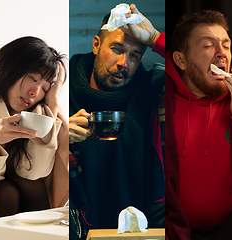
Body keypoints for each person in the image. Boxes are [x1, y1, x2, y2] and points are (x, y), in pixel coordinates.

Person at [68, 4, 166, 235]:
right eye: (116, 49)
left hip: (143, 226)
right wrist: (56, 134)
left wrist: (155, 38)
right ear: (96, 45)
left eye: (135, 55)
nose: (124, 63)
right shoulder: (60, 86)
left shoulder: (152, 90)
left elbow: (194, 69)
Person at [166, 10, 232, 240]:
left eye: (226, 45)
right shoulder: (161, 95)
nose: (222, 55)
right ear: (181, 60)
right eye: (208, 45)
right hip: (176, 231)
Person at [0, 36, 70, 220]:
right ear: (11, 67)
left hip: (16, 184)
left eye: (45, 88)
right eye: (33, 78)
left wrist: (53, 103)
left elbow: (34, 173)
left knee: (32, 185)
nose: (35, 92)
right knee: (6, 191)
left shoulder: (37, 111)